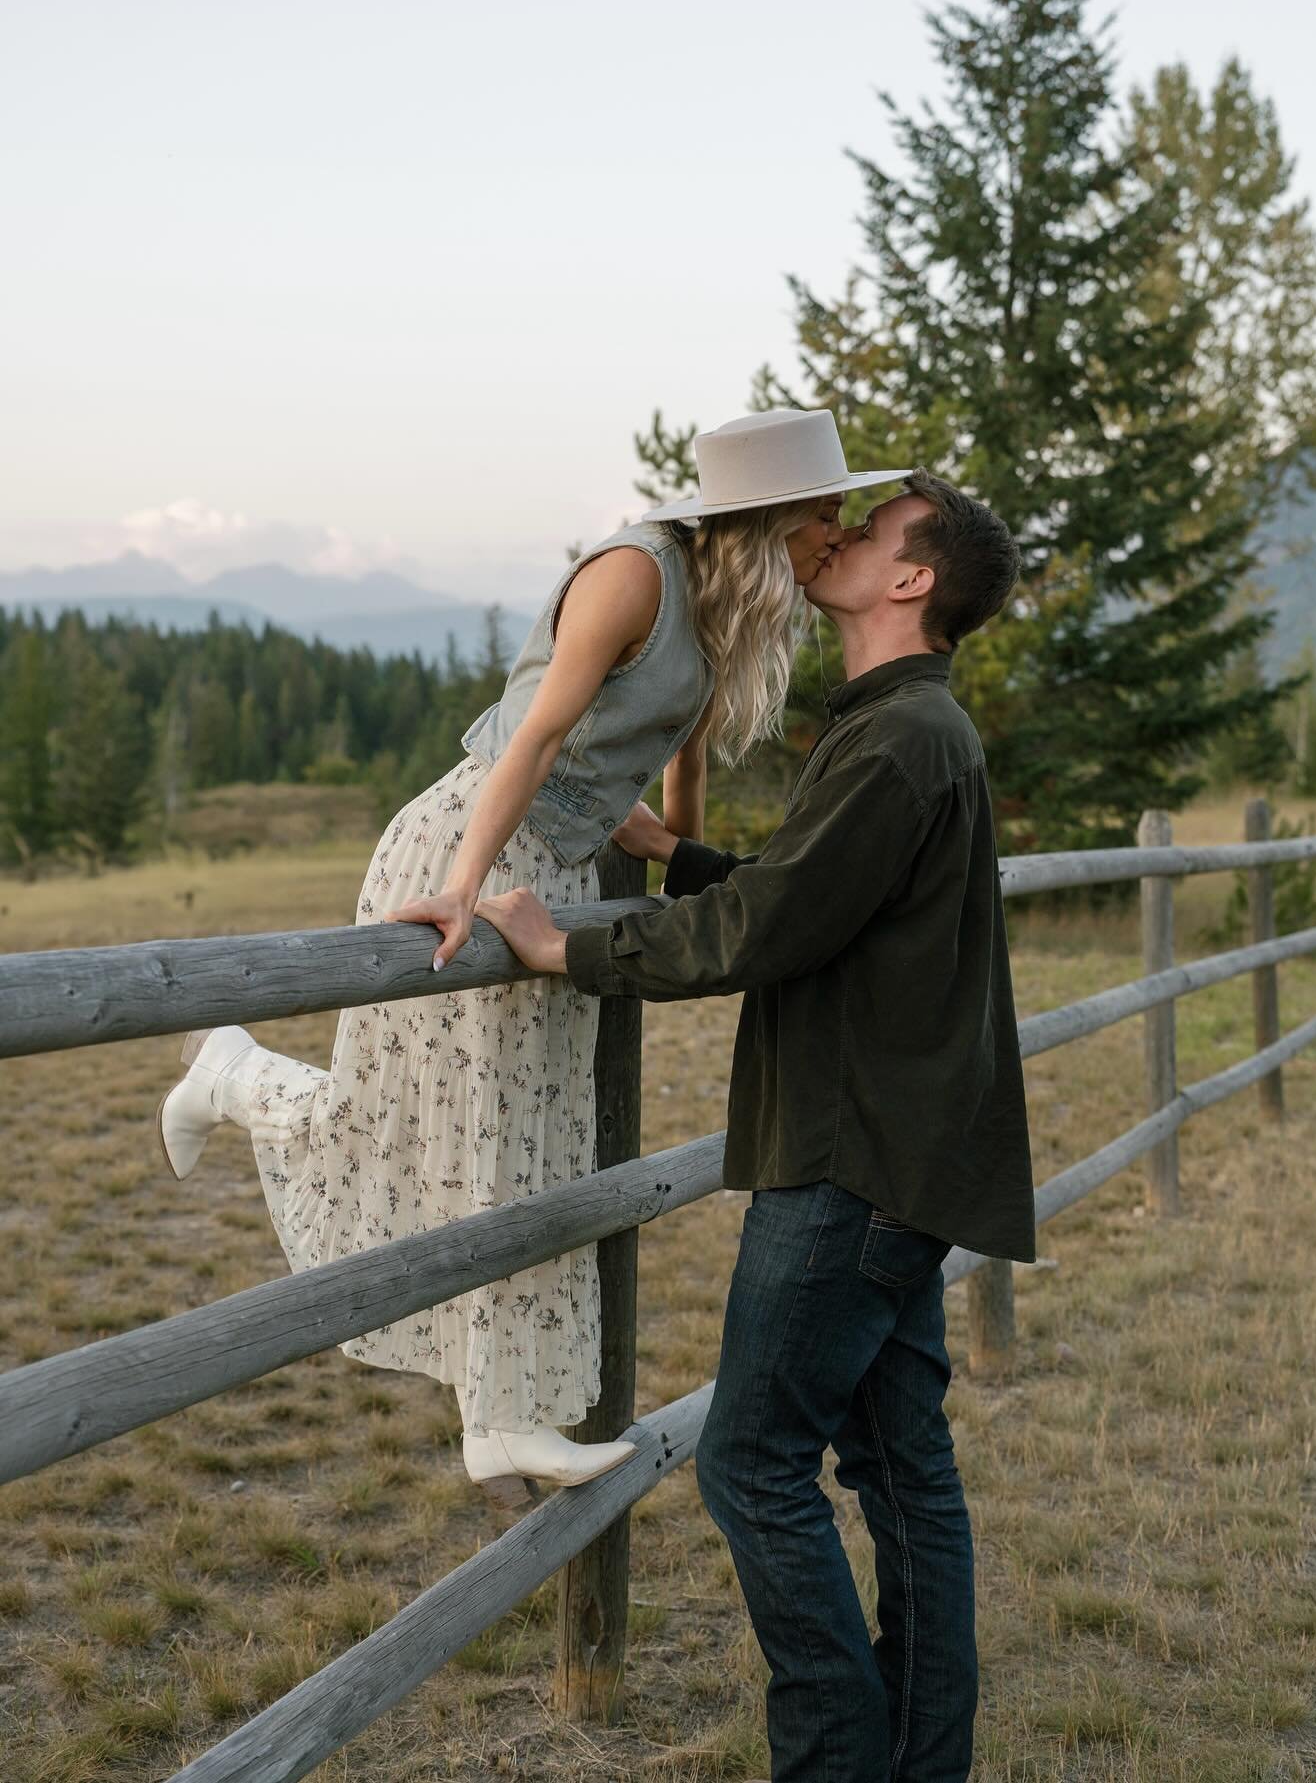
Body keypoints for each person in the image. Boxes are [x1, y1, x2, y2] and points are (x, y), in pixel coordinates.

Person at [154, 408, 912, 1499]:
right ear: (766, 517)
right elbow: (538, 737)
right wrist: (462, 885)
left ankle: (501, 1413)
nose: (835, 533)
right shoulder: (635, 576)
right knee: (413, 1124)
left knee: (537, 1136)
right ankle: (232, 1075)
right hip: (471, 844)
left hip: (561, 873)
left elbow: (678, 752)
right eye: (824, 512)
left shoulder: (726, 604)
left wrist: (668, 864)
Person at [476, 469, 1035, 1780]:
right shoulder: (905, 730)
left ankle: (837, 1758)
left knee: (751, 1464)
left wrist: (569, 951)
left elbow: (768, 929)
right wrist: (672, 854)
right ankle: (920, 1758)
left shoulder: (900, 741)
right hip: (899, 1159)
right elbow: (809, 893)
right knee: (905, 1477)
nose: (830, 538)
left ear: (912, 581)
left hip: (848, 1168)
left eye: (869, 530)